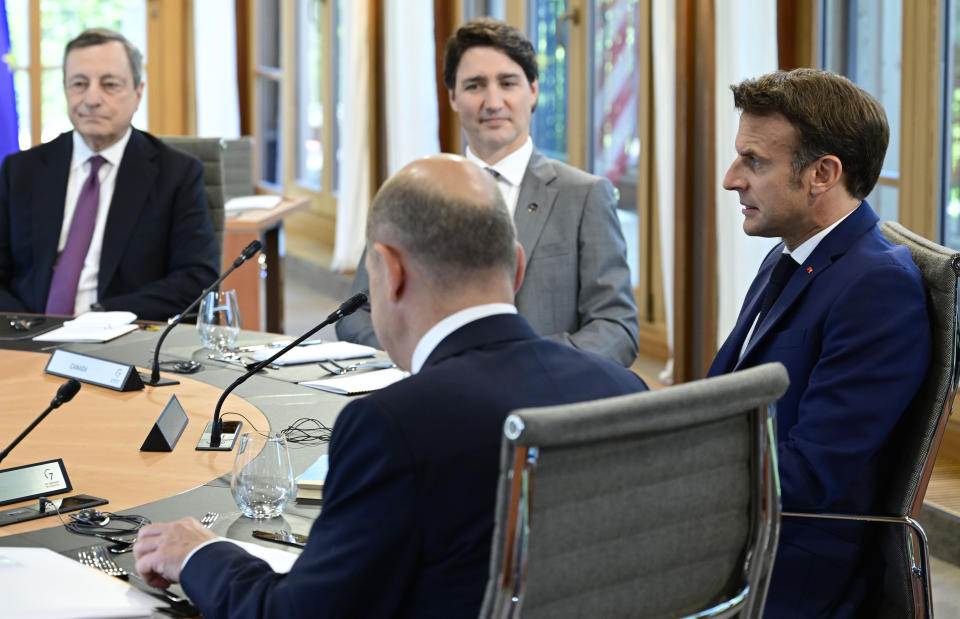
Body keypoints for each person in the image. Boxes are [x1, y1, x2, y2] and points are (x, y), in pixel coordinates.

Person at [133, 155, 648, 618]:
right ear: (515, 267)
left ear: (391, 271)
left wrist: (199, 554)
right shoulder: (624, 389)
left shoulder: (392, 428)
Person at [708, 68, 931, 617]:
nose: (731, 178)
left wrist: (678, 483)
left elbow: (810, 475)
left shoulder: (877, 288)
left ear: (822, 174)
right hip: (739, 526)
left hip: (792, 565)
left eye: (754, 161)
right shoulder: (793, 252)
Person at [337, 17, 640, 367]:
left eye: (507, 83)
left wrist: (532, 365)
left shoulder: (584, 196)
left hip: (541, 402)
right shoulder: (412, 192)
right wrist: (425, 361)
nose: (493, 102)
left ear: (533, 90)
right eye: (475, 86)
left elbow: (617, 328)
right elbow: (354, 316)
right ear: (452, 97)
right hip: (432, 395)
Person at [0, 28, 219, 321]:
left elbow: (196, 280)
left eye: (110, 85)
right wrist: (27, 327)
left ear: (138, 93)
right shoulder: (20, 170)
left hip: (121, 336)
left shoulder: (177, 174)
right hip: (25, 335)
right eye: (79, 83)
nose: (92, 98)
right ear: (65, 89)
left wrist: (100, 316)